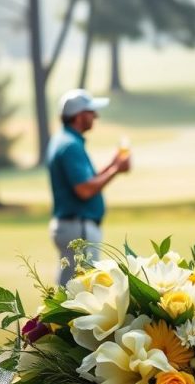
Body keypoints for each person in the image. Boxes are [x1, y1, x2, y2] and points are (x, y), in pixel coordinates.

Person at [46, 88, 131, 285]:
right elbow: (84, 189)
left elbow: (86, 179)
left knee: (70, 289)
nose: (96, 116)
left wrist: (112, 165)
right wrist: (116, 169)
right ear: (79, 116)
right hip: (79, 227)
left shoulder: (65, 140)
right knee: (80, 292)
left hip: (72, 225)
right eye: (91, 112)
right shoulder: (70, 146)